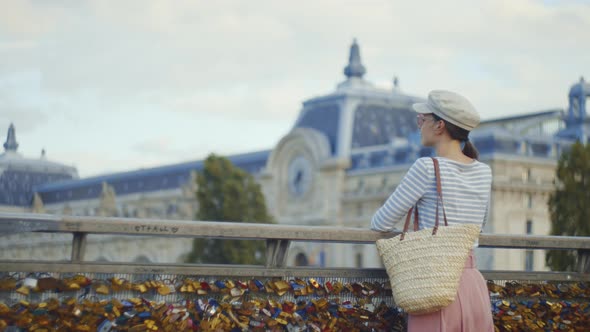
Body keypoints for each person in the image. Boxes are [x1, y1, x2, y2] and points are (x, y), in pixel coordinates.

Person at [371, 90, 494, 332]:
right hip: (473, 286)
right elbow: (480, 225)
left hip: (434, 285)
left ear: (439, 125)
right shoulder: (484, 171)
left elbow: (380, 222)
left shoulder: (426, 168)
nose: (419, 125)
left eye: (422, 119)